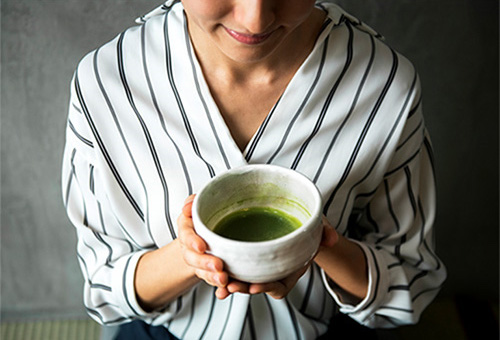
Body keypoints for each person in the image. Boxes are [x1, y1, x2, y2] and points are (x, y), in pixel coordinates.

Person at [61, 0, 447, 339]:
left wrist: (318, 244)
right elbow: (104, 291)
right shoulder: (106, 84)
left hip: (326, 330)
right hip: (163, 333)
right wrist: (192, 254)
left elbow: (410, 284)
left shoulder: (385, 86)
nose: (255, 19)